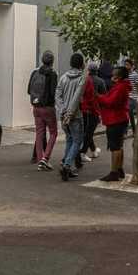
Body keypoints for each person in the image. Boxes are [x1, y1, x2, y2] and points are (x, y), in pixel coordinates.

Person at [55, 53, 87, 182]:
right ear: (81, 64)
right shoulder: (82, 78)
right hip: (75, 115)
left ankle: (66, 165)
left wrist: (62, 110)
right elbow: (77, 96)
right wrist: (70, 113)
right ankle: (67, 165)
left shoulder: (63, 77)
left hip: (64, 115)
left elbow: (57, 95)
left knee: (69, 139)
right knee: (77, 141)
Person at [97, 66, 131, 182]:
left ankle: (114, 172)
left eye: (114, 73)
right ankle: (119, 169)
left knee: (115, 147)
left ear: (119, 76)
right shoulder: (121, 86)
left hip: (115, 119)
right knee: (119, 146)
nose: (112, 74)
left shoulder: (120, 87)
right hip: (119, 118)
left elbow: (110, 101)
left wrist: (99, 98)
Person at [27, 50, 59, 170]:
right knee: (53, 133)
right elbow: (52, 92)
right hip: (48, 108)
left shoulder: (35, 72)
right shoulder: (52, 74)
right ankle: (45, 158)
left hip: (36, 107)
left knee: (39, 133)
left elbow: (29, 90)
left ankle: (40, 159)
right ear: (52, 61)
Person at [80, 61, 108, 164]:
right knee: (89, 131)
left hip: (84, 109)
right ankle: (82, 152)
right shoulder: (100, 81)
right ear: (97, 70)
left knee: (88, 131)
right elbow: (104, 96)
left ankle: (93, 150)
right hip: (94, 109)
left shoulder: (84, 80)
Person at [124, 58, 138, 135]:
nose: (126, 66)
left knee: (129, 114)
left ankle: (129, 132)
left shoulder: (135, 75)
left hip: (133, 98)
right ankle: (130, 131)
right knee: (127, 114)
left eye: (127, 65)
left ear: (131, 66)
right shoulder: (125, 75)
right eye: (125, 64)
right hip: (125, 98)